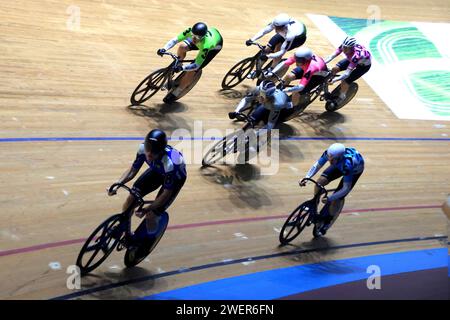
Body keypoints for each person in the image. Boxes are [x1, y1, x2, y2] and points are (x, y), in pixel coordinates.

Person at [108, 129, 187, 243]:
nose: (149, 153)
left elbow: (166, 194)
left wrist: (147, 209)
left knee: (151, 215)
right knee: (130, 199)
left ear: (160, 151)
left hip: (175, 178)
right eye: (148, 148)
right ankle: (126, 231)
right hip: (157, 171)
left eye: (154, 151)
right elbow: (132, 171)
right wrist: (118, 184)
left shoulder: (170, 163)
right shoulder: (142, 149)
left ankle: (149, 240)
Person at [299, 143, 364, 235]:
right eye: (329, 157)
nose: (329, 160)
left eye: (332, 159)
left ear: (338, 158)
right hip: (339, 164)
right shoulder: (330, 154)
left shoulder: (347, 165)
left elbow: (346, 188)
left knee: (337, 198)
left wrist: (330, 198)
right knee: (320, 182)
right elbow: (317, 165)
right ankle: (315, 202)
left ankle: (328, 220)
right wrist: (306, 178)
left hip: (354, 171)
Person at [157, 22, 223, 103]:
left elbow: (196, 65)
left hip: (214, 47)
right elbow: (175, 40)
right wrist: (164, 49)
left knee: (192, 70)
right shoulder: (191, 31)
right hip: (204, 38)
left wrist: (182, 68)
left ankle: (177, 91)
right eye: (193, 35)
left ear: (202, 37)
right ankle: (179, 62)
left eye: (197, 37)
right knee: (182, 47)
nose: (194, 39)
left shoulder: (207, 45)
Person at [245, 13, 307, 78]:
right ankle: (257, 71)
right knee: (267, 49)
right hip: (284, 33)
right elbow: (264, 31)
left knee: (277, 49)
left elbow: (282, 52)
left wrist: (268, 56)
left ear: (284, 26)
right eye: (275, 27)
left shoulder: (291, 34)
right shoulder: (277, 23)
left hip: (297, 39)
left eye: (278, 28)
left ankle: (272, 68)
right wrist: (252, 39)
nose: (276, 29)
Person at [325, 36, 371, 107]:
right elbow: (331, 56)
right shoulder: (343, 46)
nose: (344, 49)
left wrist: (335, 80)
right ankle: (327, 81)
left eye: (346, 48)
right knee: (335, 69)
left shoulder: (356, 56)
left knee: (345, 81)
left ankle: (341, 97)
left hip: (363, 66)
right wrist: (322, 63)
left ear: (352, 48)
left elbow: (346, 74)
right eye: (344, 47)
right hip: (352, 60)